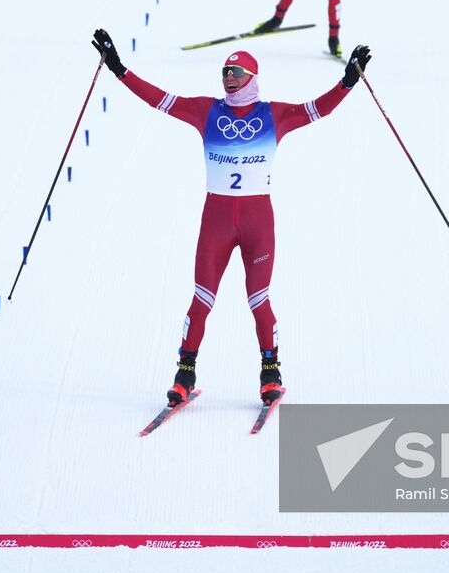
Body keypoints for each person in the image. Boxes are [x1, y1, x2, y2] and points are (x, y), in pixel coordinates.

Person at [91, 29, 372, 406]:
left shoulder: (274, 115)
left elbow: (317, 109)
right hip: (217, 222)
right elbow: (159, 99)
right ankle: (184, 374)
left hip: (258, 223)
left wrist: (348, 81)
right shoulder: (206, 110)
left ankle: (270, 372)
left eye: (236, 72)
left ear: (252, 78)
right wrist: (118, 69)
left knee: (259, 299)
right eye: (225, 71)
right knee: (201, 298)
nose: (228, 77)